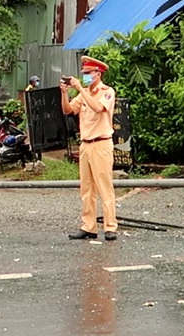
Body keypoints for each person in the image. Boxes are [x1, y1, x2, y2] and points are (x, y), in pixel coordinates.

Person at [61, 56, 118, 242]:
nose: (85, 76)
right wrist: (64, 93)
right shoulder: (83, 92)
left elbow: (98, 108)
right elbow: (68, 110)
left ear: (98, 73)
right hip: (85, 144)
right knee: (86, 188)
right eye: (83, 73)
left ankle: (110, 226)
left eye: (88, 73)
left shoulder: (107, 92)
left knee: (104, 186)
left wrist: (79, 89)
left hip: (101, 143)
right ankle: (89, 226)